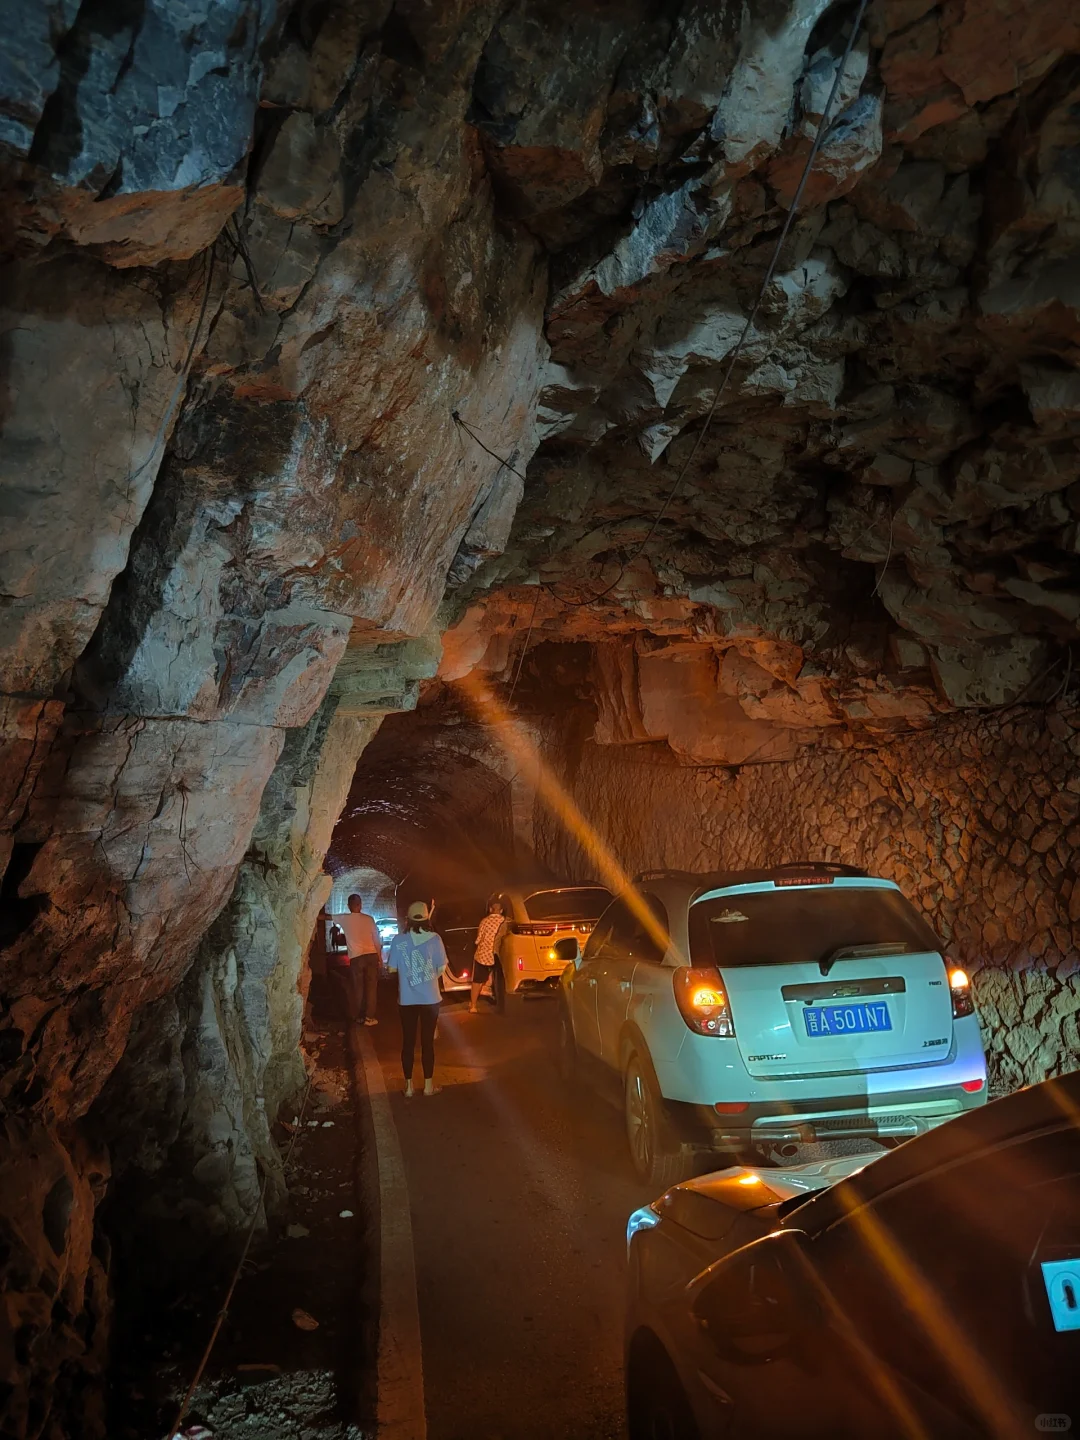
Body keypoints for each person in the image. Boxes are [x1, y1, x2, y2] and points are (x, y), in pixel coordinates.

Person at [386, 900, 447, 1097]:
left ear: (408, 919)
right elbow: (441, 968)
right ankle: (428, 1086)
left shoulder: (398, 940)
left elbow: (391, 968)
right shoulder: (435, 939)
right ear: (427, 918)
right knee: (427, 1043)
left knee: (408, 1042)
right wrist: (427, 979)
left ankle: (409, 1087)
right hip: (430, 999)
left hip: (407, 999)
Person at [334, 894, 383, 1026]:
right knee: (372, 988)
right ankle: (369, 1017)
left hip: (356, 958)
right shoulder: (369, 919)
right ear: (360, 905)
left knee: (357, 988)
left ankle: (358, 1016)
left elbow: (325, 916)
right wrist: (380, 957)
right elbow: (376, 940)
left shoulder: (344, 918)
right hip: (371, 955)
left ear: (349, 906)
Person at [470, 894, 508, 1014]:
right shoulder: (504, 921)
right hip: (498, 955)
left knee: (476, 981)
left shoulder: (484, 921)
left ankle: (473, 1006)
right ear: (501, 910)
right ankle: (499, 1003)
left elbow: (478, 939)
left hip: (483, 955)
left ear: (491, 909)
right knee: (499, 979)